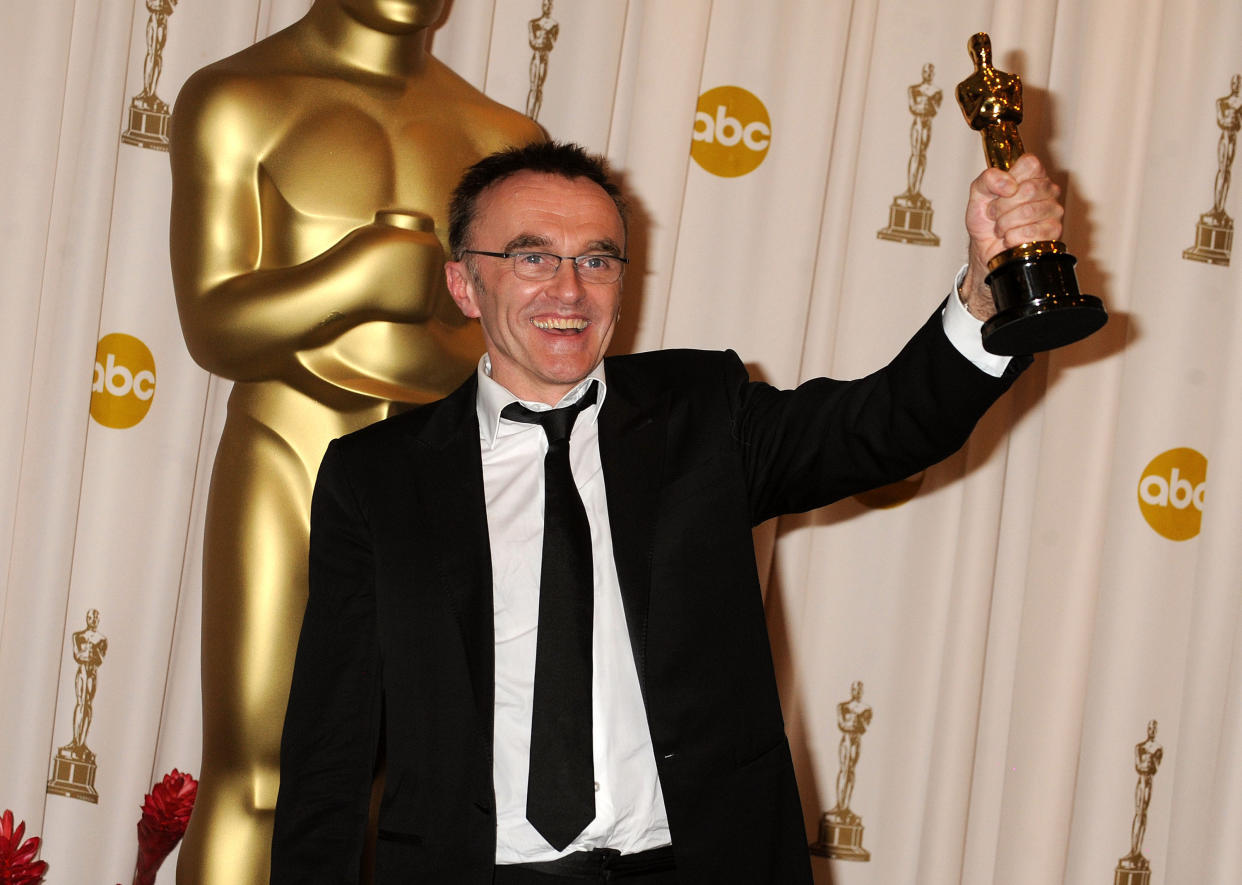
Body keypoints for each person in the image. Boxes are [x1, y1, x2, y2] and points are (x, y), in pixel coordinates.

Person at [270, 140, 1064, 883]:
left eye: (597, 260)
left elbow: (884, 426)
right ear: (463, 282)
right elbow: (329, 749)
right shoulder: (376, 476)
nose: (569, 289)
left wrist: (983, 287)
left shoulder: (703, 413)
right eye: (532, 256)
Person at [168, 0, 542, 881]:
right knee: (260, 773)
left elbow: (526, 350)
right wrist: (360, 272)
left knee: (404, 791)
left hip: (442, 474)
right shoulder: (237, 98)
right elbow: (214, 325)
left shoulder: (501, 136)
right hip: (287, 448)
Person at [956, 32, 1025, 171]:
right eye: (977, 45)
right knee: (1003, 177)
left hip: (1012, 134)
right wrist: (992, 105)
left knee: (1023, 174)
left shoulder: (1010, 80)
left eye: (986, 44)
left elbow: (1018, 114)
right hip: (992, 137)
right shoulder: (966, 86)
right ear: (971, 52)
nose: (983, 48)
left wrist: (992, 107)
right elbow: (973, 121)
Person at [1120, 720, 1163, 870]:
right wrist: (1148, 761)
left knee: (1143, 814)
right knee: (1138, 813)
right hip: (1142, 780)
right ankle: (1133, 850)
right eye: (1149, 727)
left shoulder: (1158, 748)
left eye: (1154, 728)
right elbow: (1139, 766)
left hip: (1148, 781)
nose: (1151, 730)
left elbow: (1155, 768)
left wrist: (1149, 761)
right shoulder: (1139, 747)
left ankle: (1138, 850)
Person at [830, 681, 873, 822]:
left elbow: (864, 728)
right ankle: (839, 805)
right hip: (846, 740)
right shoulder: (843, 706)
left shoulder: (866, 709)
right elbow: (841, 724)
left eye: (859, 689)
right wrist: (853, 723)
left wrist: (856, 721)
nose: (856, 691)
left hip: (856, 740)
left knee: (851, 770)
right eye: (854, 689)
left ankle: (846, 806)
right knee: (843, 769)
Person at [906, 63, 943, 203]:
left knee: (922, 155)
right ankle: (911, 189)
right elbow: (913, 107)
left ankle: (917, 190)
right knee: (915, 153)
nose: (927, 74)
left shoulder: (936, 91)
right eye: (925, 71)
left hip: (927, 123)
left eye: (930, 72)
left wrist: (930, 100)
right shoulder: (914, 89)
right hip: (918, 123)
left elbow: (936, 109)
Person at [525, 0, 559, 120]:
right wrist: (541, 38)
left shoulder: (554, 25)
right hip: (536, 56)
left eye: (549, 5)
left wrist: (546, 35)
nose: (547, 7)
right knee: (533, 86)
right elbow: (532, 42)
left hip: (545, 57)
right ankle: (528, 117)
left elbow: (552, 45)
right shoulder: (533, 23)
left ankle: (535, 119)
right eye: (545, 4)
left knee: (539, 88)